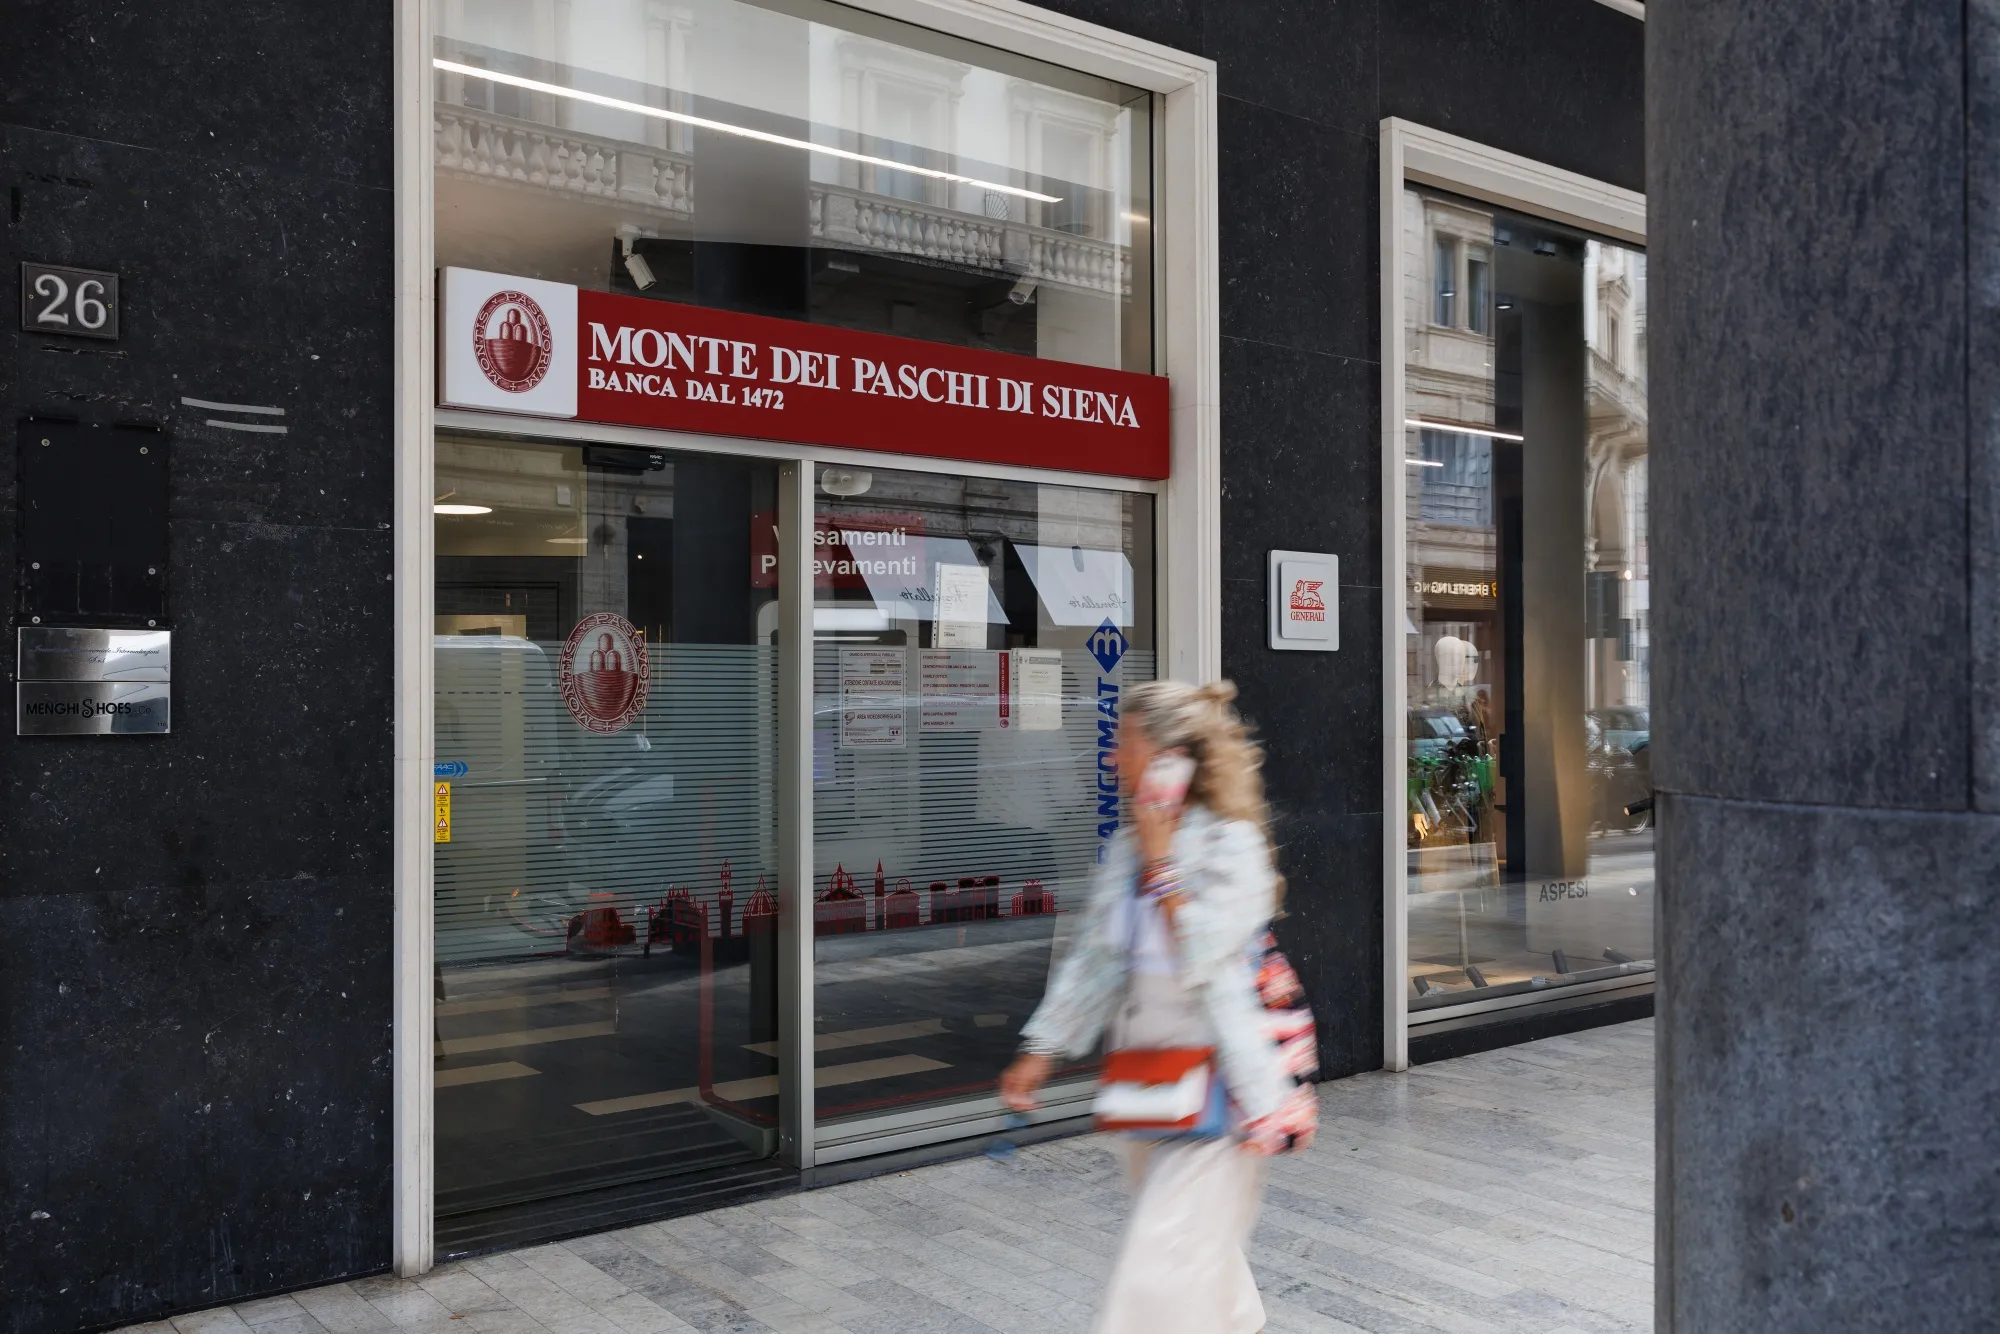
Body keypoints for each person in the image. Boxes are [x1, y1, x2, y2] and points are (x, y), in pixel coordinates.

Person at [999, 679, 1301, 1334]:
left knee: (1158, 1271)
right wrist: (1041, 1049)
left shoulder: (1232, 847)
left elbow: (1203, 949)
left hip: (1224, 1088)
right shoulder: (1125, 850)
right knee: (1194, 1256)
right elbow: (1097, 960)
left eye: (1125, 744)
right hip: (1150, 1081)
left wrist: (1163, 864)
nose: (1113, 759)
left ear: (1173, 756)